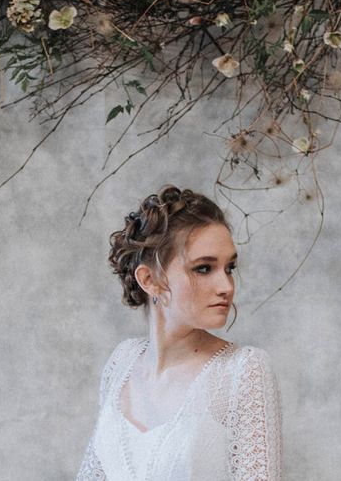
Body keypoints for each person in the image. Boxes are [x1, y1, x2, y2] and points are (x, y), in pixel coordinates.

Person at [76, 185, 282, 480]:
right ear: (150, 279)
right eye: (203, 268)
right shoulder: (121, 362)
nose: (226, 286)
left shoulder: (243, 371)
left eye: (229, 267)